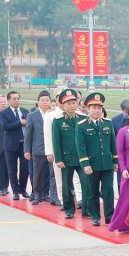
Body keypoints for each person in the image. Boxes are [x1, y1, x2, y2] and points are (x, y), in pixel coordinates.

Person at [75, 92, 118, 227]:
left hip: (107, 164)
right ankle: (95, 215)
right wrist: (85, 164)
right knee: (92, 191)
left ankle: (110, 216)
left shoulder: (107, 123)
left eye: (99, 108)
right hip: (91, 165)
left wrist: (115, 160)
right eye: (94, 108)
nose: (97, 110)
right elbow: (80, 147)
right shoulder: (82, 125)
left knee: (108, 190)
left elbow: (112, 143)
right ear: (88, 109)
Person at [51, 89, 87, 220]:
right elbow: (56, 141)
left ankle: (86, 208)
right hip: (66, 158)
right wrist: (58, 159)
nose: (72, 106)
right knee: (66, 184)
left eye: (74, 103)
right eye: (68, 104)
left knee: (85, 182)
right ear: (63, 105)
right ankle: (69, 209)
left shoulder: (83, 119)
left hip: (82, 157)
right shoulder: (58, 120)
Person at [23, 90, 55, 204]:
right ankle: (37, 195)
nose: (45, 102)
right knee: (37, 174)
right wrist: (27, 150)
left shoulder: (54, 114)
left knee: (52, 174)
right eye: (43, 100)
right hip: (38, 149)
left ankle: (50, 195)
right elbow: (28, 134)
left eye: (47, 100)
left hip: (52, 150)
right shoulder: (32, 115)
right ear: (38, 102)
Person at [1, 91, 30, 200]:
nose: (16, 100)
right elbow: (5, 126)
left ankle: (23, 189)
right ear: (9, 100)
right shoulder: (4, 113)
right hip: (11, 145)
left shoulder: (25, 111)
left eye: (18, 98)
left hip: (24, 145)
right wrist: (20, 122)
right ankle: (15, 191)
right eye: (14, 99)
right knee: (12, 169)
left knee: (25, 169)